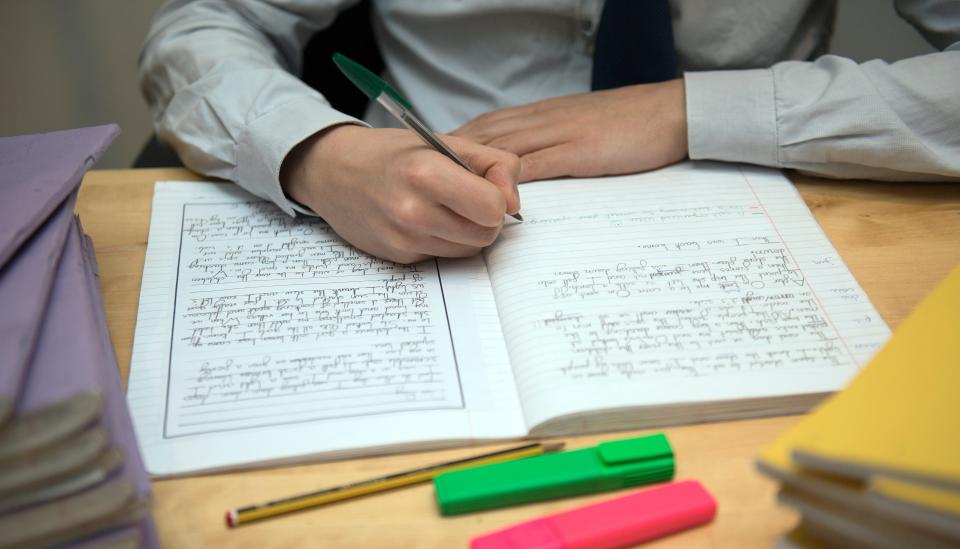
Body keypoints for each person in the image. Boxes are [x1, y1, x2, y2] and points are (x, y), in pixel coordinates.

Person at [139, 1, 960, 264]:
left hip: (771, 228)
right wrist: (321, 155)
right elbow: (204, 25)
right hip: (413, 224)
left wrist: (688, 110)